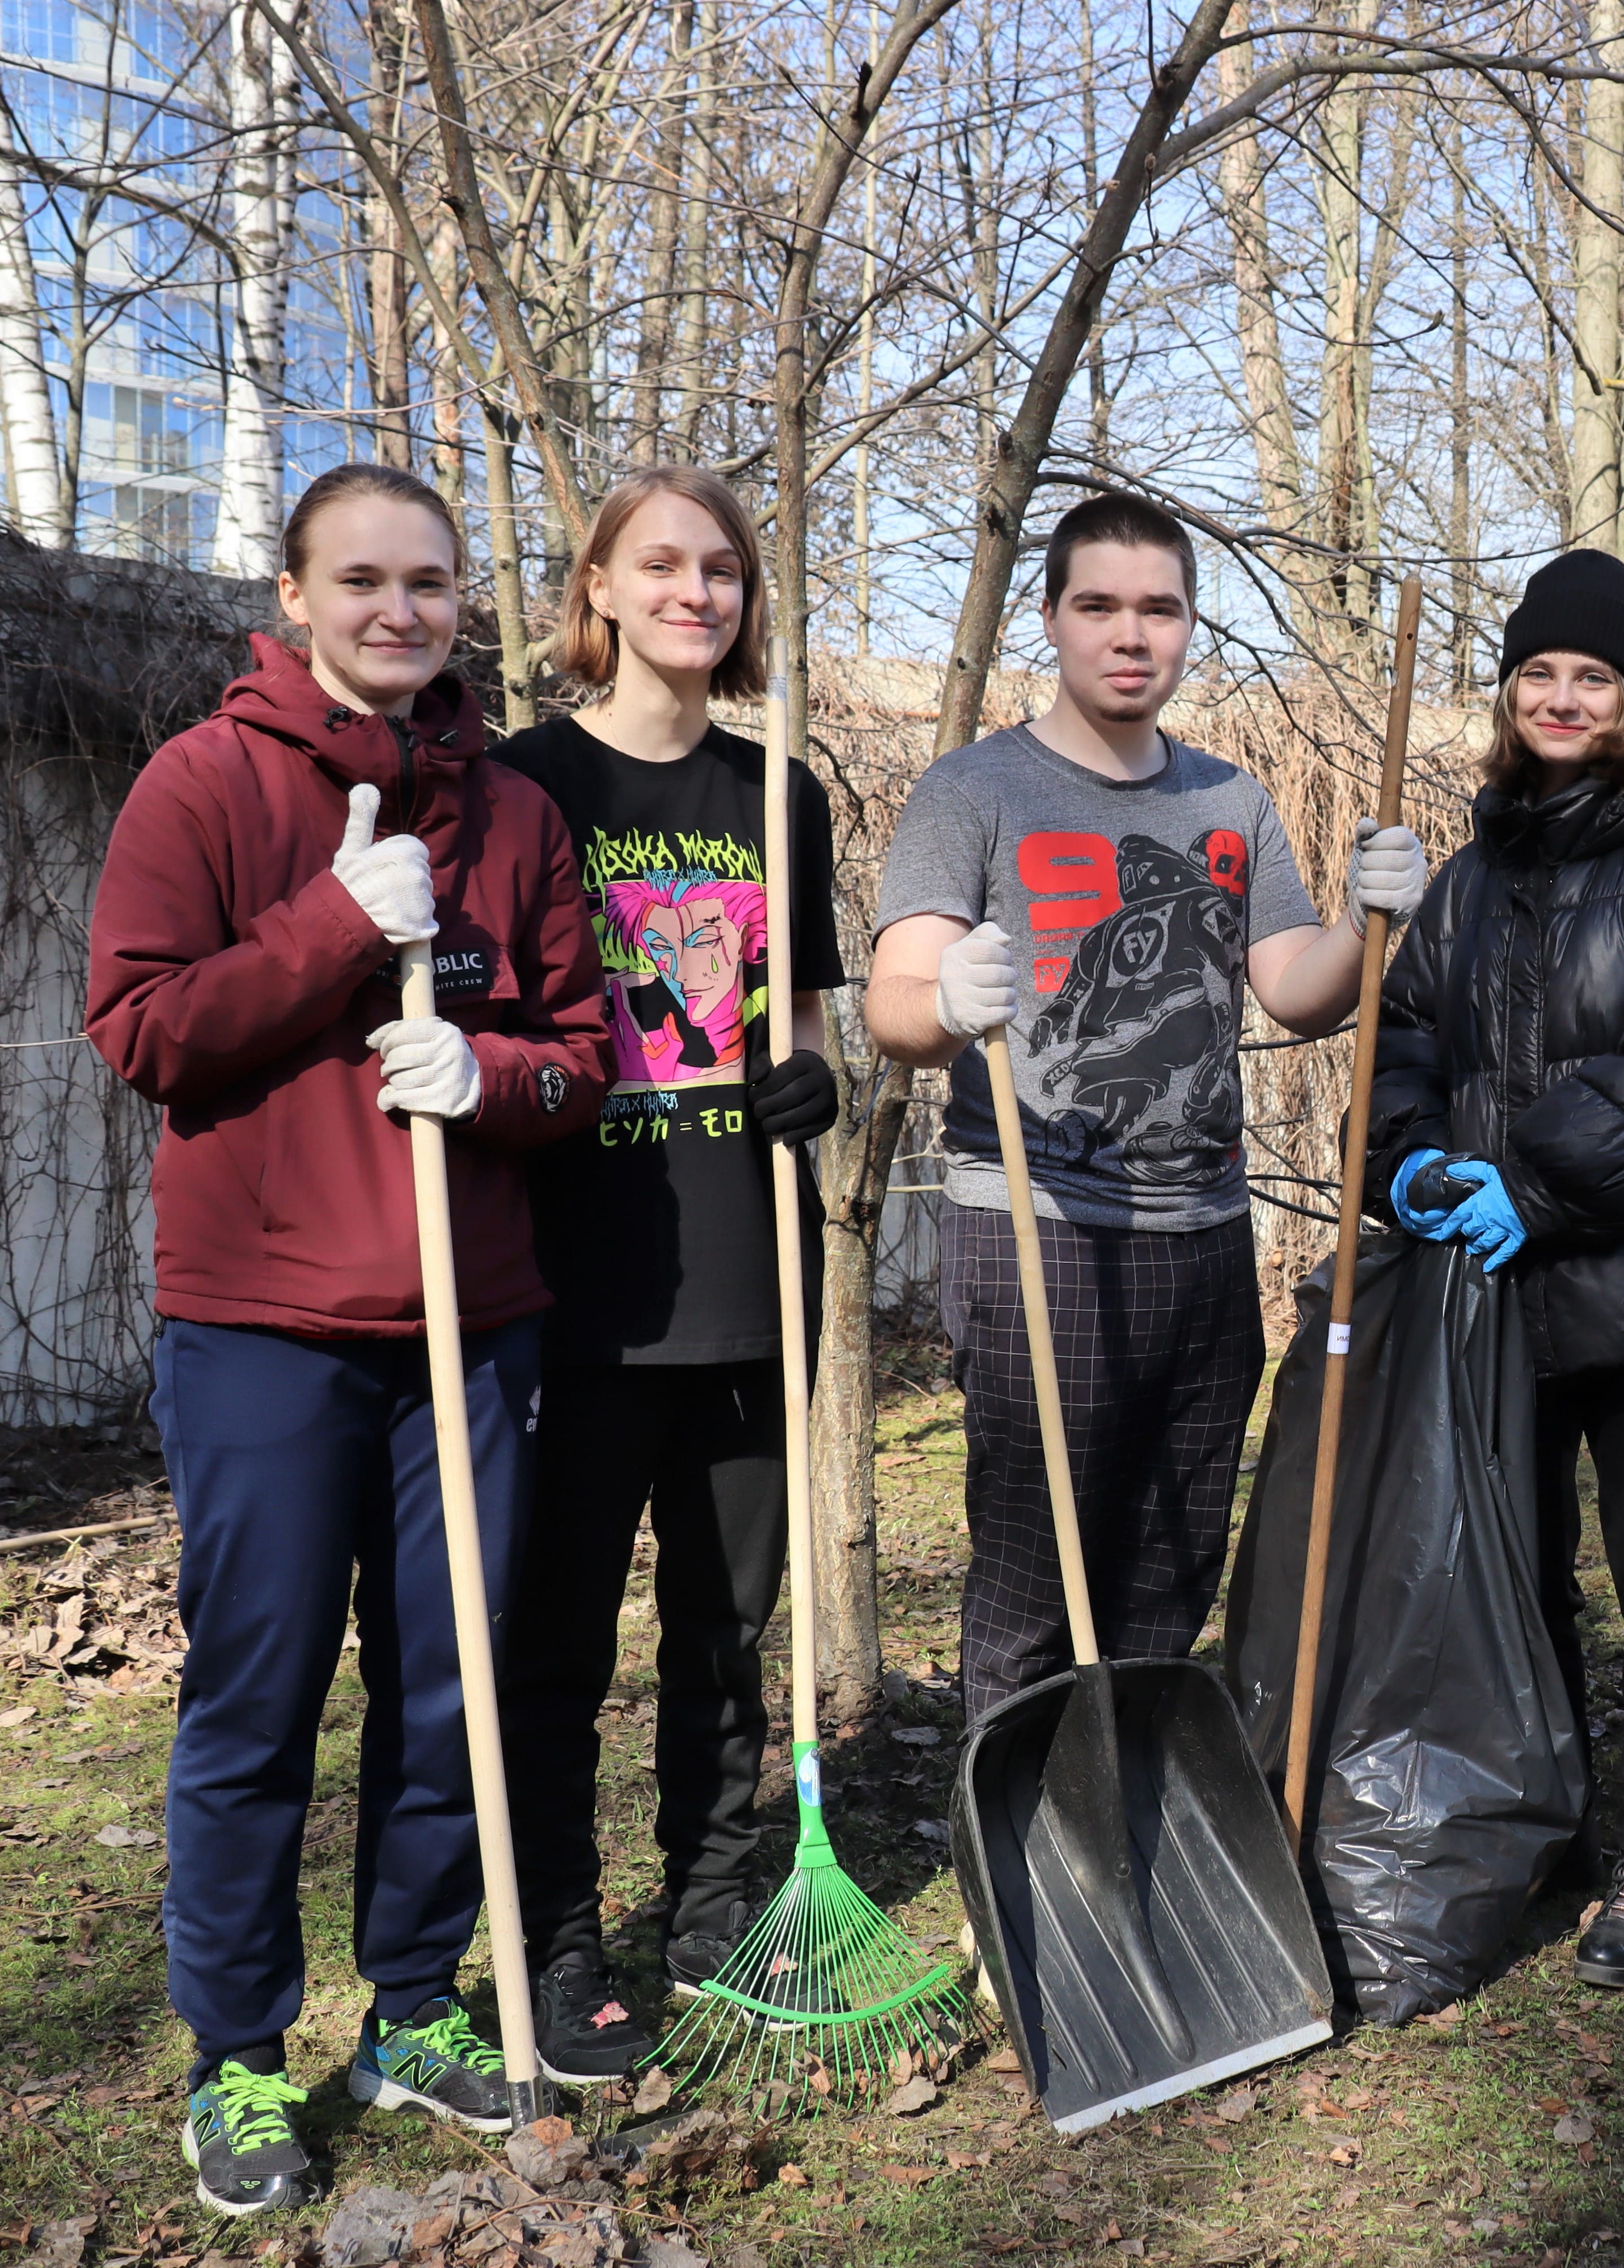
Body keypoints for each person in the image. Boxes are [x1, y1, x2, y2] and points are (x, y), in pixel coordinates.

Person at [86, 463, 610, 2214]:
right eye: (364, 581)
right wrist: (333, 930)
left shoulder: (513, 813)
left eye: (433, 582)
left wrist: (501, 1075)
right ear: (295, 597)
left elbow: (583, 1052)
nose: (402, 610)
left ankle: (410, 2002)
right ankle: (236, 2055)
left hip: (471, 1322)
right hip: (264, 1324)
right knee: (258, 1693)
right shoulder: (206, 784)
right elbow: (144, 1027)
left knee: (450, 1687)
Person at [865, 493, 1426, 1725]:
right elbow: (891, 1003)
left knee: (1173, 1560)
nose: (1132, 634)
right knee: (1031, 1570)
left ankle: (1135, 1836)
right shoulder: (976, 788)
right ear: (1053, 619)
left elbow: (1296, 995)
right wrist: (947, 997)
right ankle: (1018, 1865)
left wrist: (1363, 923)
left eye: (1160, 608)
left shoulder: (1230, 801)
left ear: (1188, 629)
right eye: (1101, 605)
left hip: (1205, 1226)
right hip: (1034, 1219)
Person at [1368, 550, 1624, 1986]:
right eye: (1538, 671)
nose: (1560, 695)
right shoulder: (1469, 877)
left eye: (1591, 675)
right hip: (1495, 1292)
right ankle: (1551, 1821)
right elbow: (1401, 1044)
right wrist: (1413, 1167)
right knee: (1519, 1574)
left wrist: (1531, 1184)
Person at [489, 467, 847, 2079]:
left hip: (748, 1274)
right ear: (604, 592)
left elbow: (818, 1019)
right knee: (557, 1640)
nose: (698, 591)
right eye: (664, 565)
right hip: (576, 1290)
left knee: (727, 1627)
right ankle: (558, 1939)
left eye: (724, 569)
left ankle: (713, 1910)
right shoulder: (522, 789)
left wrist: (820, 1080)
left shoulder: (783, 798)